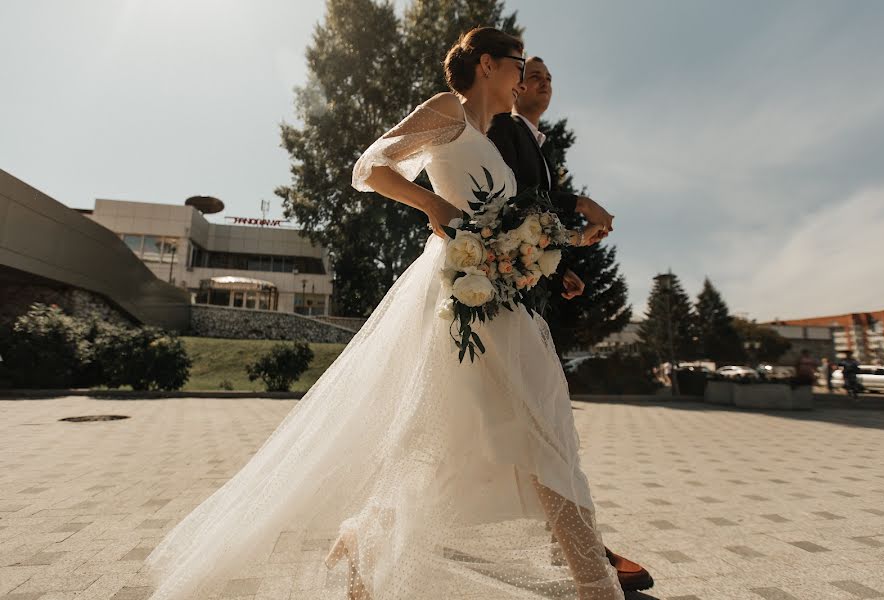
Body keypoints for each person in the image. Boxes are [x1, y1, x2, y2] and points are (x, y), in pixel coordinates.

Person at [145, 28, 624, 600]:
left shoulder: (495, 138)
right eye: (520, 64)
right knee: (538, 432)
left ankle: (364, 537)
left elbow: (508, 214)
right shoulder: (449, 110)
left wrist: (545, 248)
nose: (525, 77)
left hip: (498, 296)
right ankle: (597, 587)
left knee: (457, 437)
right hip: (462, 294)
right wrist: (430, 203)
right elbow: (368, 167)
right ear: (489, 64)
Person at [488, 56, 653, 593]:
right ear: (511, 84)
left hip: (523, 300)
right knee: (544, 427)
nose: (542, 82)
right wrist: (579, 201)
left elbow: (532, 227)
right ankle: (586, 555)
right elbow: (514, 202)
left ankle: (578, 547)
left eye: (549, 77)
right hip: (497, 307)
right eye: (532, 74)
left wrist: (563, 270)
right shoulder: (505, 130)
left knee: (540, 430)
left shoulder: (537, 143)